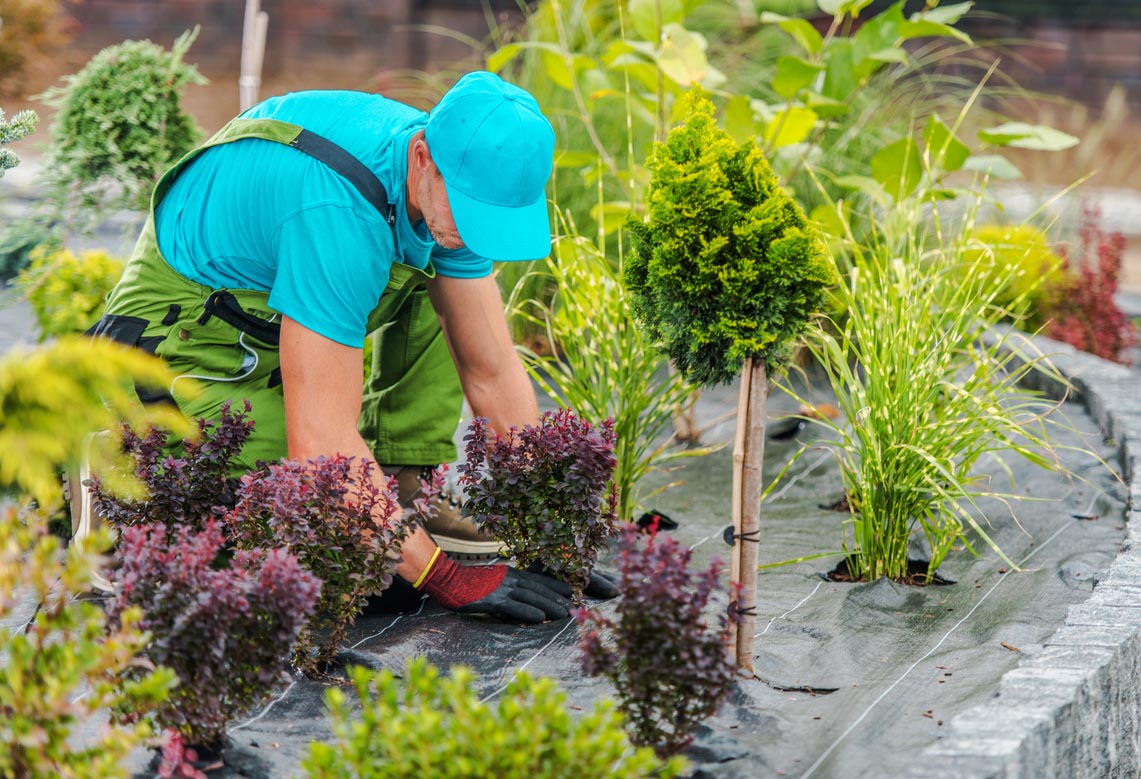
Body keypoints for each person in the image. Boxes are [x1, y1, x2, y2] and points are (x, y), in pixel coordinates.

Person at [85, 71, 615, 623]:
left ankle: (404, 487)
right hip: (185, 334)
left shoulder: (447, 194)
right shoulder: (337, 211)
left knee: (443, 283)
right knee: (274, 541)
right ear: (421, 157)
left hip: (273, 307)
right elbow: (321, 443)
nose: (475, 233)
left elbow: (492, 372)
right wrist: (445, 577)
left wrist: (549, 535)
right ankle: (111, 462)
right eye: (470, 212)